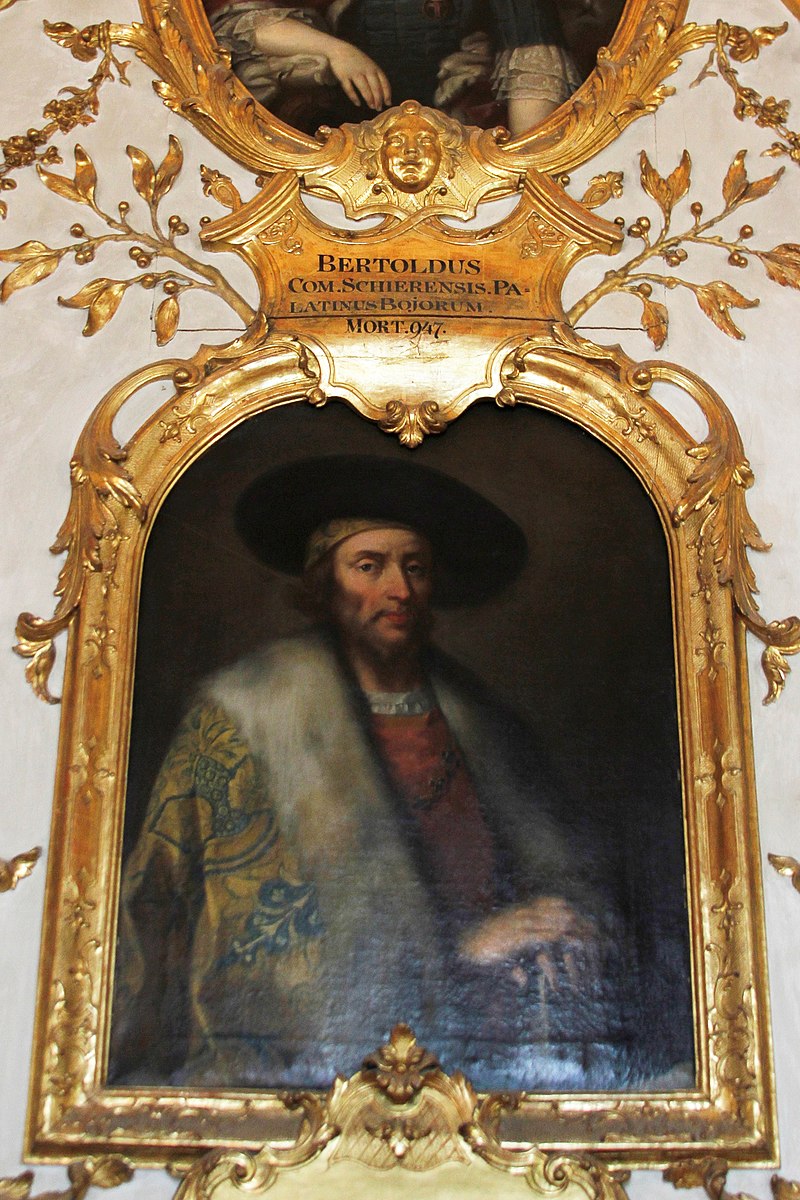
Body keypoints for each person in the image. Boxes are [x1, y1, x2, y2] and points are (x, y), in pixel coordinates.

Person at [110, 456, 635, 1091]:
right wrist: (463, 954)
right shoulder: (246, 716)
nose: (399, 590)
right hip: (312, 1083)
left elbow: (560, 870)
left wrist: (560, 923)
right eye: (369, 566)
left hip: (484, 1071)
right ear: (323, 585)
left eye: (415, 567)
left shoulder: (481, 720)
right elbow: (208, 931)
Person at [205, 0, 579, 134]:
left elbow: (534, 60)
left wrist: (521, 169)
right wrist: (337, 50)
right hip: (347, 133)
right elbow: (240, 24)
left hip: (464, 131)